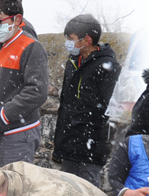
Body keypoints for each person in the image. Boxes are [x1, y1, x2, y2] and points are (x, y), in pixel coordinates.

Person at [0, 0, 48, 166]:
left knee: (13, 188)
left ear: (17, 20)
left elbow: (37, 91)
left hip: (17, 133)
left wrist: (3, 115)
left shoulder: (31, 47)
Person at [52, 14, 121, 187]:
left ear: (87, 40)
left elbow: (108, 109)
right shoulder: (73, 62)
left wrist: (92, 139)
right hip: (69, 144)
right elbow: (66, 103)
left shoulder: (107, 66)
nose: (68, 42)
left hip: (90, 146)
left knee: (88, 194)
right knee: (65, 193)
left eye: (71, 38)